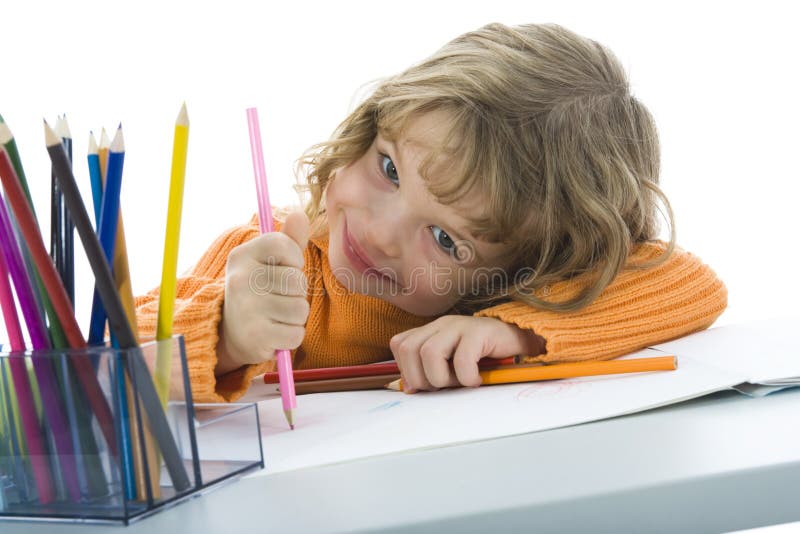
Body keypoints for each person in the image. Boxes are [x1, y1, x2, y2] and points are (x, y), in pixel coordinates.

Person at [135, 22, 727, 402]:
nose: (381, 233)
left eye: (446, 239)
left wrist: (514, 330)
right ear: (369, 129)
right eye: (389, 169)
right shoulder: (274, 260)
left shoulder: (499, 298)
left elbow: (690, 284)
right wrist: (227, 334)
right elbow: (98, 355)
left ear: (523, 268)